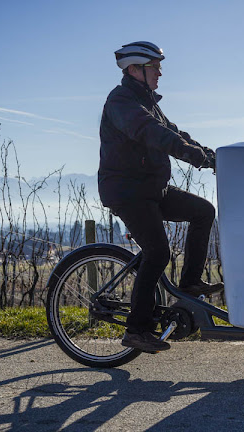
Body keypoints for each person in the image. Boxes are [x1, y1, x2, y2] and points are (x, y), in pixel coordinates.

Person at [98, 41, 223, 353]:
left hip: (153, 189)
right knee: (158, 252)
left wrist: (210, 156)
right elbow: (153, 133)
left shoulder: (148, 102)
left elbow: (175, 133)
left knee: (204, 211)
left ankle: (190, 283)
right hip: (128, 192)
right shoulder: (122, 102)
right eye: (155, 67)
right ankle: (136, 330)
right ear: (135, 69)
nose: (160, 73)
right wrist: (193, 157)